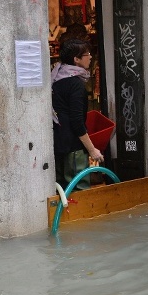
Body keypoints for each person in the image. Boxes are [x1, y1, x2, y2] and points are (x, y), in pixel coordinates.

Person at [51, 37, 104, 191]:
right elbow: (77, 121)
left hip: (58, 143)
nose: (91, 57)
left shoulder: (56, 79)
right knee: (78, 189)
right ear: (76, 59)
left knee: (61, 190)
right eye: (87, 54)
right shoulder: (75, 85)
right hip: (72, 147)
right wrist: (92, 150)